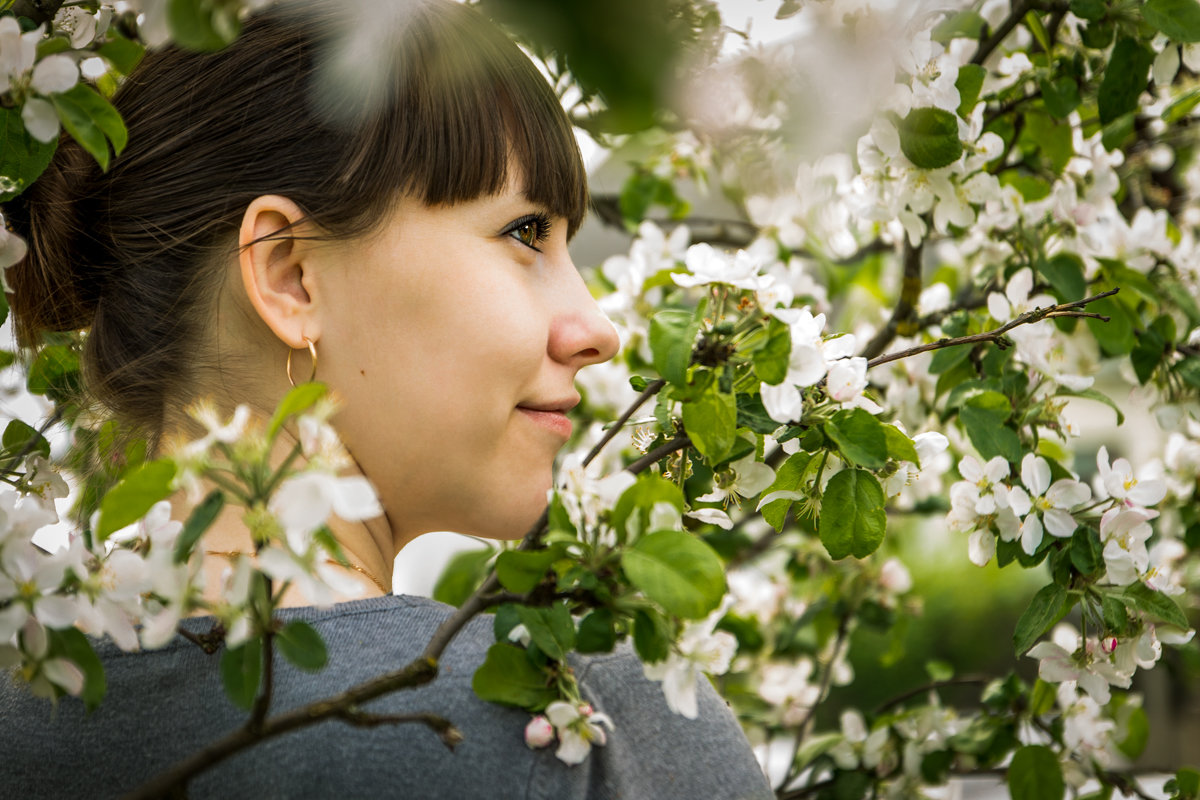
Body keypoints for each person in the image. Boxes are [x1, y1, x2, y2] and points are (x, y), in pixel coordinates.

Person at [0, 1, 775, 797]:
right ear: (291, 276)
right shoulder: (552, 710)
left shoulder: (20, 727)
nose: (596, 330)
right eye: (526, 232)